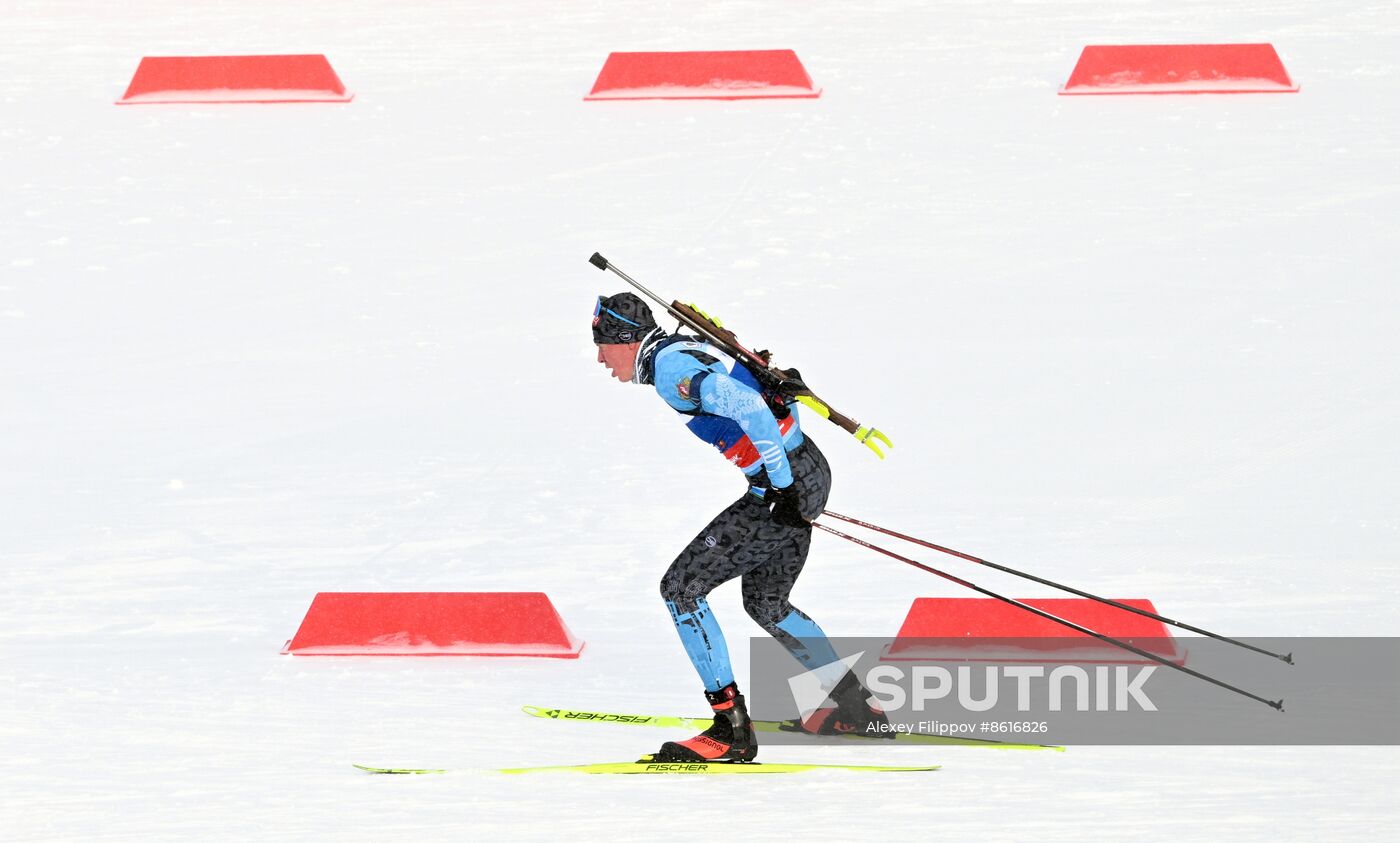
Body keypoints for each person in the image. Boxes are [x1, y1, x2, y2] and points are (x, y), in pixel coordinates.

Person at [591, 291, 888, 763]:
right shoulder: (688, 345)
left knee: (681, 589)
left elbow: (749, 406)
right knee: (767, 604)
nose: (601, 360)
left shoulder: (670, 370)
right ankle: (857, 708)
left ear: (626, 340)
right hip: (809, 469)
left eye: (602, 347)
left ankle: (731, 728)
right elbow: (760, 386)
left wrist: (782, 487)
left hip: (782, 486)